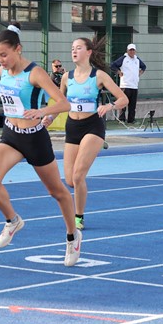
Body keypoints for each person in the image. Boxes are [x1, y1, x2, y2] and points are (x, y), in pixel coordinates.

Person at [0, 23, 81, 267]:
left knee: (57, 192)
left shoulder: (35, 73)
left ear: (18, 49)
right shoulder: (3, 71)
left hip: (35, 138)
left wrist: (41, 112)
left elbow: (64, 104)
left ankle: (73, 237)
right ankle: (12, 220)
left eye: (4, 54)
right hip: (11, 135)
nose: (1, 60)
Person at [50, 37, 127, 231]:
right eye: (72, 48)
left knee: (78, 176)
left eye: (78, 48)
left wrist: (109, 106)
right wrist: (49, 117)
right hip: (72, 127)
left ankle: (79, 217)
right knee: (70, 180)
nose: (74, 51)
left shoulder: (98, 76)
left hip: (92, 126)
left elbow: (123, 99)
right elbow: (61, 103)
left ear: (89, 52)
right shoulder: (66, 77)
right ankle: (93, 149)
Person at [110, 43, 145, 124]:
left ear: (135, 51)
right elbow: (113, 65)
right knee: (123, 103)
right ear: (127, 51)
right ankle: (121, 119)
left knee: (133, 105)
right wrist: (119, 72)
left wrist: (140, 72)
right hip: (125, 85)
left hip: (134, 85)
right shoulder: (123, 58)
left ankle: (131, 119)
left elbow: (143, 66)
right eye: (130, 50)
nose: (132, 52)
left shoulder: (137, 60)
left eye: (133, 50)